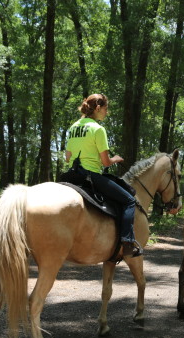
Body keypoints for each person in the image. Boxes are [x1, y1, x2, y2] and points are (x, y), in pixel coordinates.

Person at [65, 93, 142, 257]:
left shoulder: (73, 128)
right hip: (90, 176)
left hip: (72, 176)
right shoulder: (98, 129)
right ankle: (127, 242)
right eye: (106, 109)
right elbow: (106, 162)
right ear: (98, 108)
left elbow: (68, 157)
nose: (107, 112)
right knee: (129, 201)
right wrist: (115, 159)